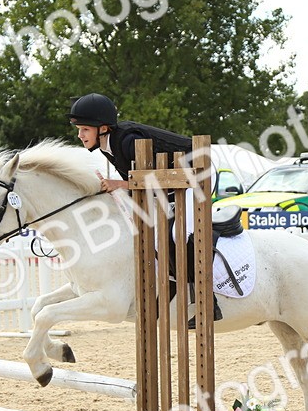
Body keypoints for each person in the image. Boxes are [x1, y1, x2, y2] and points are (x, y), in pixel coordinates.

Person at [67, 92, 222, 324]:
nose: (79, 135)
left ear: (103, 128)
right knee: (157, 238)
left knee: (179, 233)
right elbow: (140, 185)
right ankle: (171, 288)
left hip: (198, 177)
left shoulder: (128, 141)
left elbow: (148, 180)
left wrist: (120, 184)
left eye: (84, 129)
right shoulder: (107, 146)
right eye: (79, 129)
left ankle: (209, 302)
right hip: (173, 183)